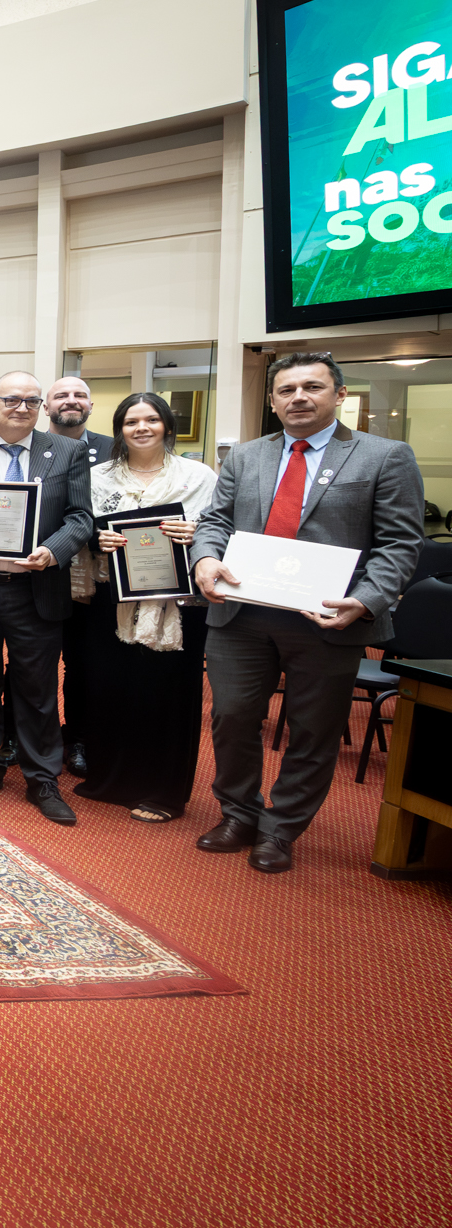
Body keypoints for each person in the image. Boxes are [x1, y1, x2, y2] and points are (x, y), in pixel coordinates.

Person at [192, 353, 425, 874]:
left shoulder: (384, 456)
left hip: (327, 620)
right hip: (241, 615)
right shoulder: (245, 456)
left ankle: (281, 828)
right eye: (287, 390)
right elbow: (215, 522)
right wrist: (205, 559)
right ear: (273, 401)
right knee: (231, 717)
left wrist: (367, 599)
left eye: (312, 387)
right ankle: (238, 813)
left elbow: (400, 543)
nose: (299, 397)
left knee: (313, 729)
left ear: (338, 394)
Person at [0, 371, 93, 825]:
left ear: (41, 408)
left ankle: (42, 777)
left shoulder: (66, 451)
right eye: (11, 399)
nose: (22, 408)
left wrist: (54, 551)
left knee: (37, 688)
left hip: (36, 589)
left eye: (31, 401)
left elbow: (80, 517)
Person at [74, 392, 215, 824]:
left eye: (151, 420)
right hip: (110, 599)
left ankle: (163, 792)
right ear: (119, 429)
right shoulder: (97, 478)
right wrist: (96, 538)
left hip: (176, 605)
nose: (141, 428)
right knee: (110, 688)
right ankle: (110, 779)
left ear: (167, 426)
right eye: (131, 421)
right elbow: (77, 525)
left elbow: (219, 528)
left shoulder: (198, 477)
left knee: (167, 694)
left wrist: (195, 532)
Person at [45, 375, 115, 775]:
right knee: (30, 661)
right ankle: (20, 734)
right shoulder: (32, 446)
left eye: (80, 395)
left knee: (84, 662)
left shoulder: (114, 449)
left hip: (95, 576)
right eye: (61, 395)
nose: (71, 401)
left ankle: (78, 739)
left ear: (91, 405)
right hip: (40, 571)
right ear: (47, 406)